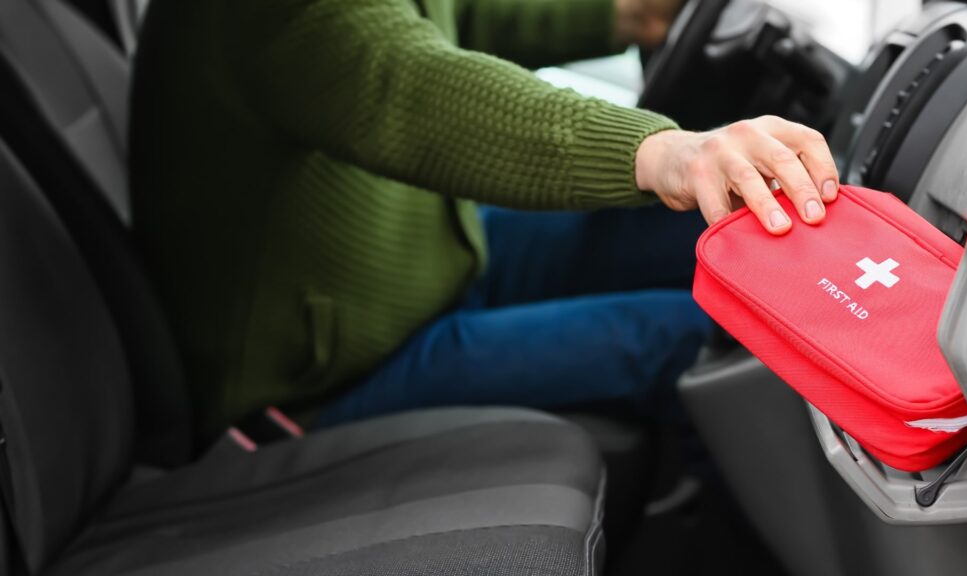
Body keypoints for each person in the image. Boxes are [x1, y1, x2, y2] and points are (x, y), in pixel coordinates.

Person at [131, 0, 839, 441]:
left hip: (428, 261)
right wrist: (661, 152)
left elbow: (455, 11)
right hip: (318, 383)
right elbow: (414, 93)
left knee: (701, 239)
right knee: (700, 338)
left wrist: (626, 11)